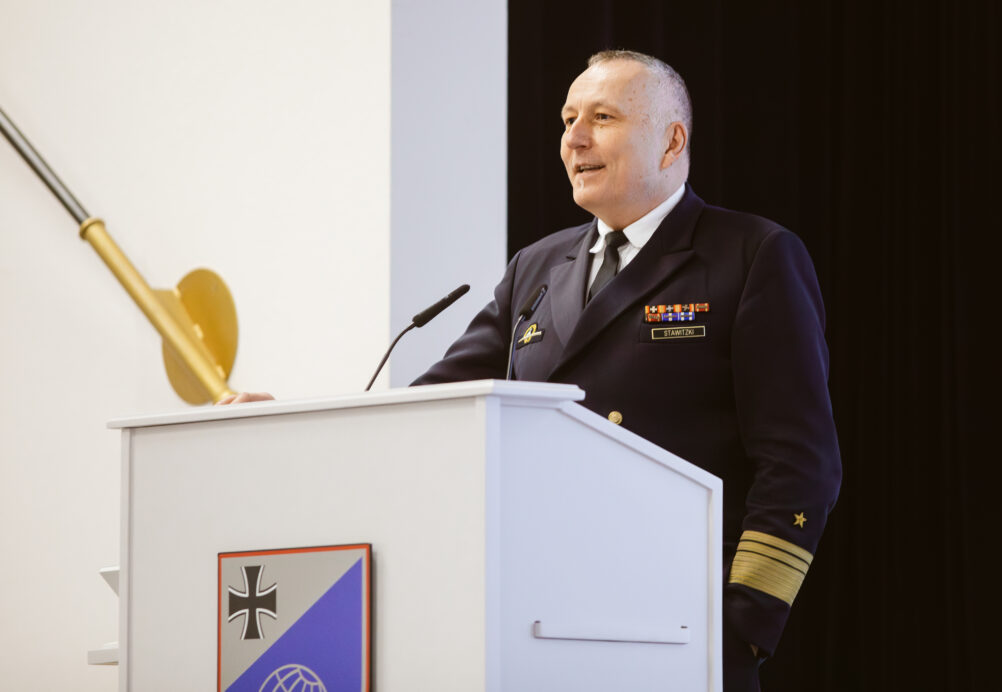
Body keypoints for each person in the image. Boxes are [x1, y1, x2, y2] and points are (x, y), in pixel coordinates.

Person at [222, 50, 841, 692]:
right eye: (568, 120)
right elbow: (433, 408)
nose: (575, 139)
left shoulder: (749, 254)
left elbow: (801, 462)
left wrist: (742, 624)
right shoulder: (538, 266)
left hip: (675, 621)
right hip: (536, 614)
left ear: (671, 141)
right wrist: (295, 424)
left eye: (603, 117)